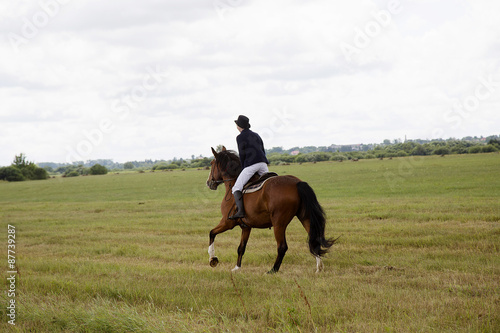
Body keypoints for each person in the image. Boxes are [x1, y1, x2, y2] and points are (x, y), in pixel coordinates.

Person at [229, 115, 269, 220]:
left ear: (239, 126)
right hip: (263, 163)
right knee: (268, 183)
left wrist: (243, 167)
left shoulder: (240, 137)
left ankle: (241, 211)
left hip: (251, 165)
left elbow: (242, 154)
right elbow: (262, 149)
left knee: (236, 188)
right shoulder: (256, 135)